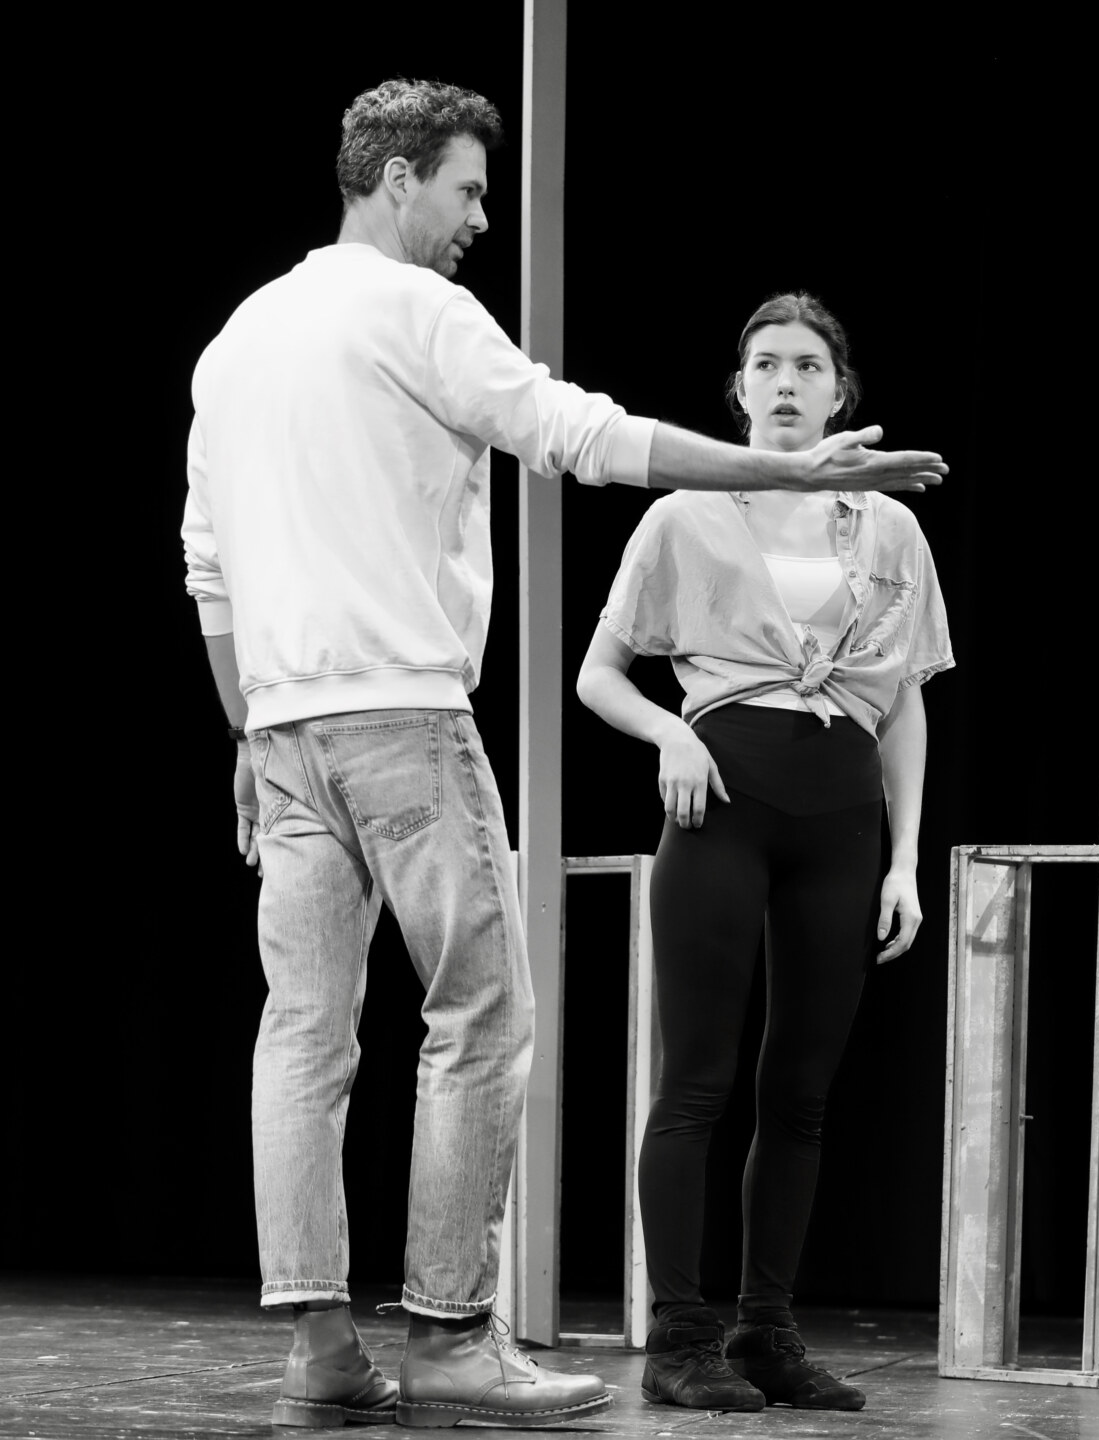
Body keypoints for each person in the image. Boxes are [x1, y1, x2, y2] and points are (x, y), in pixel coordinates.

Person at [181, 79, 943, 1431]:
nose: (481, 217)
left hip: (286, 725)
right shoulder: (414, 309)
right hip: (401, 712)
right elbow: (577, 434)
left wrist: (248, 723)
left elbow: (209, 562)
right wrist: (783, 473)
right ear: (400, 179)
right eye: (469, 188)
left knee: (301, 1034)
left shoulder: (238, 339)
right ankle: (451, 1338)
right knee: (484, 1014)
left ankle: (320, 1351)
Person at [576, 292, 954, 1413]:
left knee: (801, 1092)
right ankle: (678, 1338)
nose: (786, 382)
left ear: (842, 394)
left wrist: (905, 859)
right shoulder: (685, 514)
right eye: (765, 365)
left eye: (807, 366)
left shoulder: (889, 526)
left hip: (841, 820)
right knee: (696, 1081)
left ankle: (766, 1332)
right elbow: (598, 675)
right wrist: (671, 733)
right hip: (723, 806)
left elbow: (906, 703)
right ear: (738, 392)